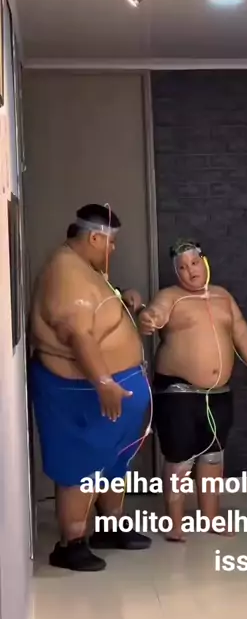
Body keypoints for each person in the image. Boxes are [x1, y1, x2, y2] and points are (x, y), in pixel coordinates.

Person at [29, 204, 152, 571]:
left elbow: (98, 311)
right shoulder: (66, 273)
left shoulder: (86, 268)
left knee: (113, 462)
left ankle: (110, 527)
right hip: (82, 393)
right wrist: (104, 381)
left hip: (110, 392)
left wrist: (124, 298)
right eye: (111, 243)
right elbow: (77, 334)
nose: (113, 249)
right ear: (95, 238)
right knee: (81, 466)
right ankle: (71, 543)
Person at [139, 238, 247, 542]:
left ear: (204, 262)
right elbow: (154, 314)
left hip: (219, 393)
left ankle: (211, 518)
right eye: (182, 267)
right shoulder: (170, 297)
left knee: (213, 456)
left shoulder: (223, 297)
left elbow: (242, 333)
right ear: (177, 273)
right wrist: (148, 319)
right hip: (178, 392)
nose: (190, 271)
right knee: (179, 457)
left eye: (194, 263)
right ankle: (175, 523)